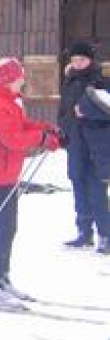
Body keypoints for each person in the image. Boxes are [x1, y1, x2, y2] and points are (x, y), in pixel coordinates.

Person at [0, 58, 61, 310]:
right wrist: (41, 138)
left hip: (7, 176)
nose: (23, 79)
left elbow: (21, 126)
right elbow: (11, 139)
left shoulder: (10, 102)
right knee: (3, 230)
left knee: (9, 229)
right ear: (8, 79)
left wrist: (46, 128)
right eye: (19, 76)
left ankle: (2, 278)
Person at [57, 42, 108, 250]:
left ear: (90, 60)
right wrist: (62, 128)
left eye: (82, 59)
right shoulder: (69, 81)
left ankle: (105, 235)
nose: (78, 63)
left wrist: (88, 112)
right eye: (75, 60)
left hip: (97, 144)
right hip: (75, 143)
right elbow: (64, 110)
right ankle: (84, 232)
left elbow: (107, 108)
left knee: (96, 189)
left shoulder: (101, 80)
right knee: (78, 185)